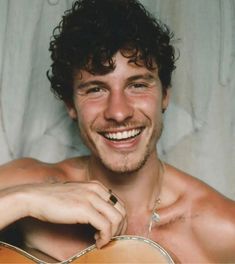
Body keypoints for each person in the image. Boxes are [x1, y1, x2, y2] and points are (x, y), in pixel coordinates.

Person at [0, 0, 235, 262]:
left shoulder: (221, 231)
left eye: (137, 85)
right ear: (71, 105)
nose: (119, 112)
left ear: (165, 95)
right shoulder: (29, 184)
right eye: (96, 89)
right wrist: (24, 201)